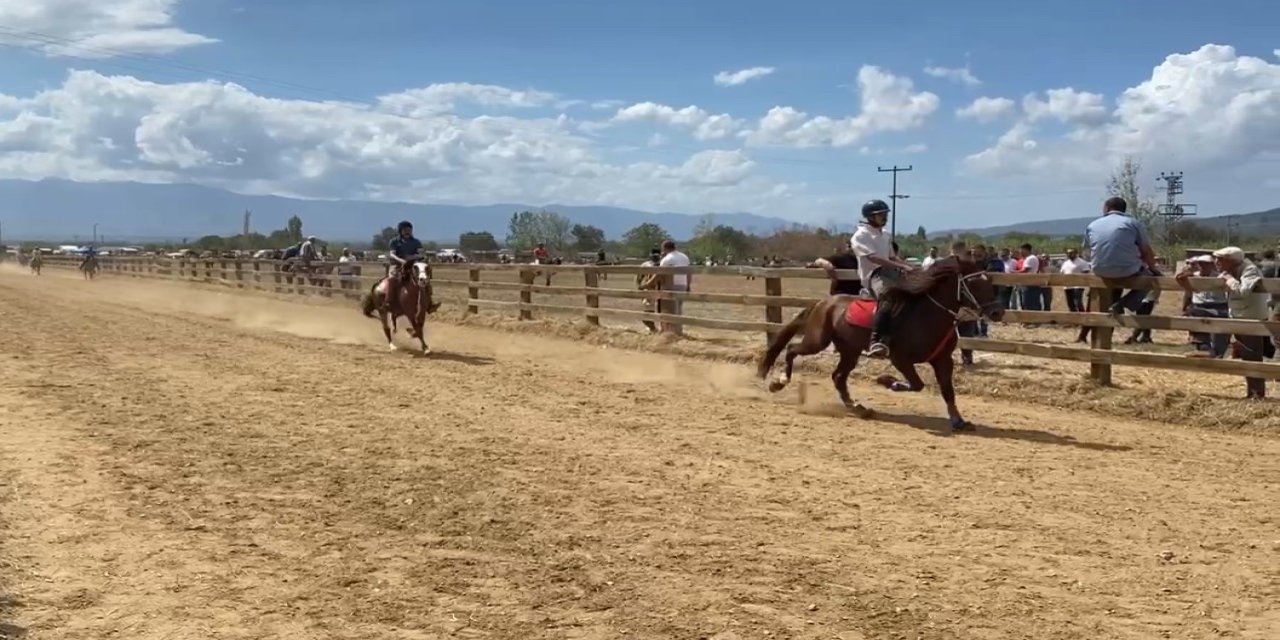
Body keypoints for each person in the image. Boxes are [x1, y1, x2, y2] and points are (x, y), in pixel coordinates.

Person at [1179, 247, 1268, 398]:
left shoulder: (1249, 270)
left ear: (1230, 260)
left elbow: (1243, 291)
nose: (1217, 263)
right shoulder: (1233, 269)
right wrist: (1184, 274)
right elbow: (1198, 285)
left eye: (1220, 259)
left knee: (1252, 357)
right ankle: (1253, 393)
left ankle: (1257, 394)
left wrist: (1229, 280)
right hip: (1239, 317)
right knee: (1246, 356)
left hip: (1250, 318)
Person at [853, 199, 917, 357]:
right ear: (870, 217)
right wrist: (901, 267)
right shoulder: (861, 235)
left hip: (892, 272)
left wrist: (912, 268)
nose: (884, 217)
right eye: (880, 215)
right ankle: (876, 341)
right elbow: (873, 258)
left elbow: (893, 257)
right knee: (888, 298)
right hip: (875, 274)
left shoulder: (885, 235)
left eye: (885, 214)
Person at [1085, 196, 1158, 315]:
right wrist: (1153, 268)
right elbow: (1146, 250)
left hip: (1099, 270)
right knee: (1152, 281)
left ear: (1107, 208)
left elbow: (1088, 249)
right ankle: (1123, 304)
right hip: (1126, 270)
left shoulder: (1092, 225)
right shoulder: (1133, 223)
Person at [656, 239, 691, 334]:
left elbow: (660, 274)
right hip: (682, 284)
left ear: (665, 248)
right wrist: (688, 285)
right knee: (678, 309)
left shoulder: (667, 259)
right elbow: (689, 272)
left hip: (670, 285)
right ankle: (678, 330)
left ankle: (669, 332)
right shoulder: (684, 257)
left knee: (669, 309)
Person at [385, 220, 423, 304]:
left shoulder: (416, 242)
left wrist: (412, 257)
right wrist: (401, 260)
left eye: (409, 230)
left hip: (413, 265)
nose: (407, 232)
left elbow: (420, 254)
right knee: (391, 279)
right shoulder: (394, 241)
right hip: (397, 265)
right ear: (400, 231)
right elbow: (392, 254)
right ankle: (388, 300)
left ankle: (428, 302)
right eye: (405, 230)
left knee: (424, 278)